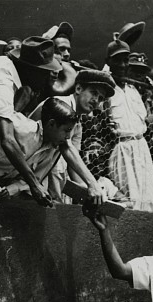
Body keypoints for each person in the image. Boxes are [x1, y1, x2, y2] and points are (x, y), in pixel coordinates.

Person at [0, 36, 64, 206]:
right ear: (31, 70)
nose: (47, 79)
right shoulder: (3, 81)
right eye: (44, 73)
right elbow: (7, 139)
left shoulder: (11, 70)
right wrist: (34, 184)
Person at [0, 97, 98, 202]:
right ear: (51, 124)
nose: (68, 137)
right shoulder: (22, 127)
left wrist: (11, 189)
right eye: (66, 131)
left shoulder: (51, 152)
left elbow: (33, 178)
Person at [30, 69, 115, 202]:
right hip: (17, 169)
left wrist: (87, 190)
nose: (96, 101)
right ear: (79, 88)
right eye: (93, 93)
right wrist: (92, 184)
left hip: (36, 176)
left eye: (100, 98)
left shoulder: (78, 124)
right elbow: (67, 147)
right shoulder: (58, 104)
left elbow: (73, 164)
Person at [104, 35, 153, 211]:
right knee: (130, 200)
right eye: (117, 60)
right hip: (122, 147)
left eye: (125, 60)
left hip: (141, 146)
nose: (122, 65)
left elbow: (145, 120)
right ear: (109, 62)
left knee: (147, 199)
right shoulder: (106, 89)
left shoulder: (133, 90)